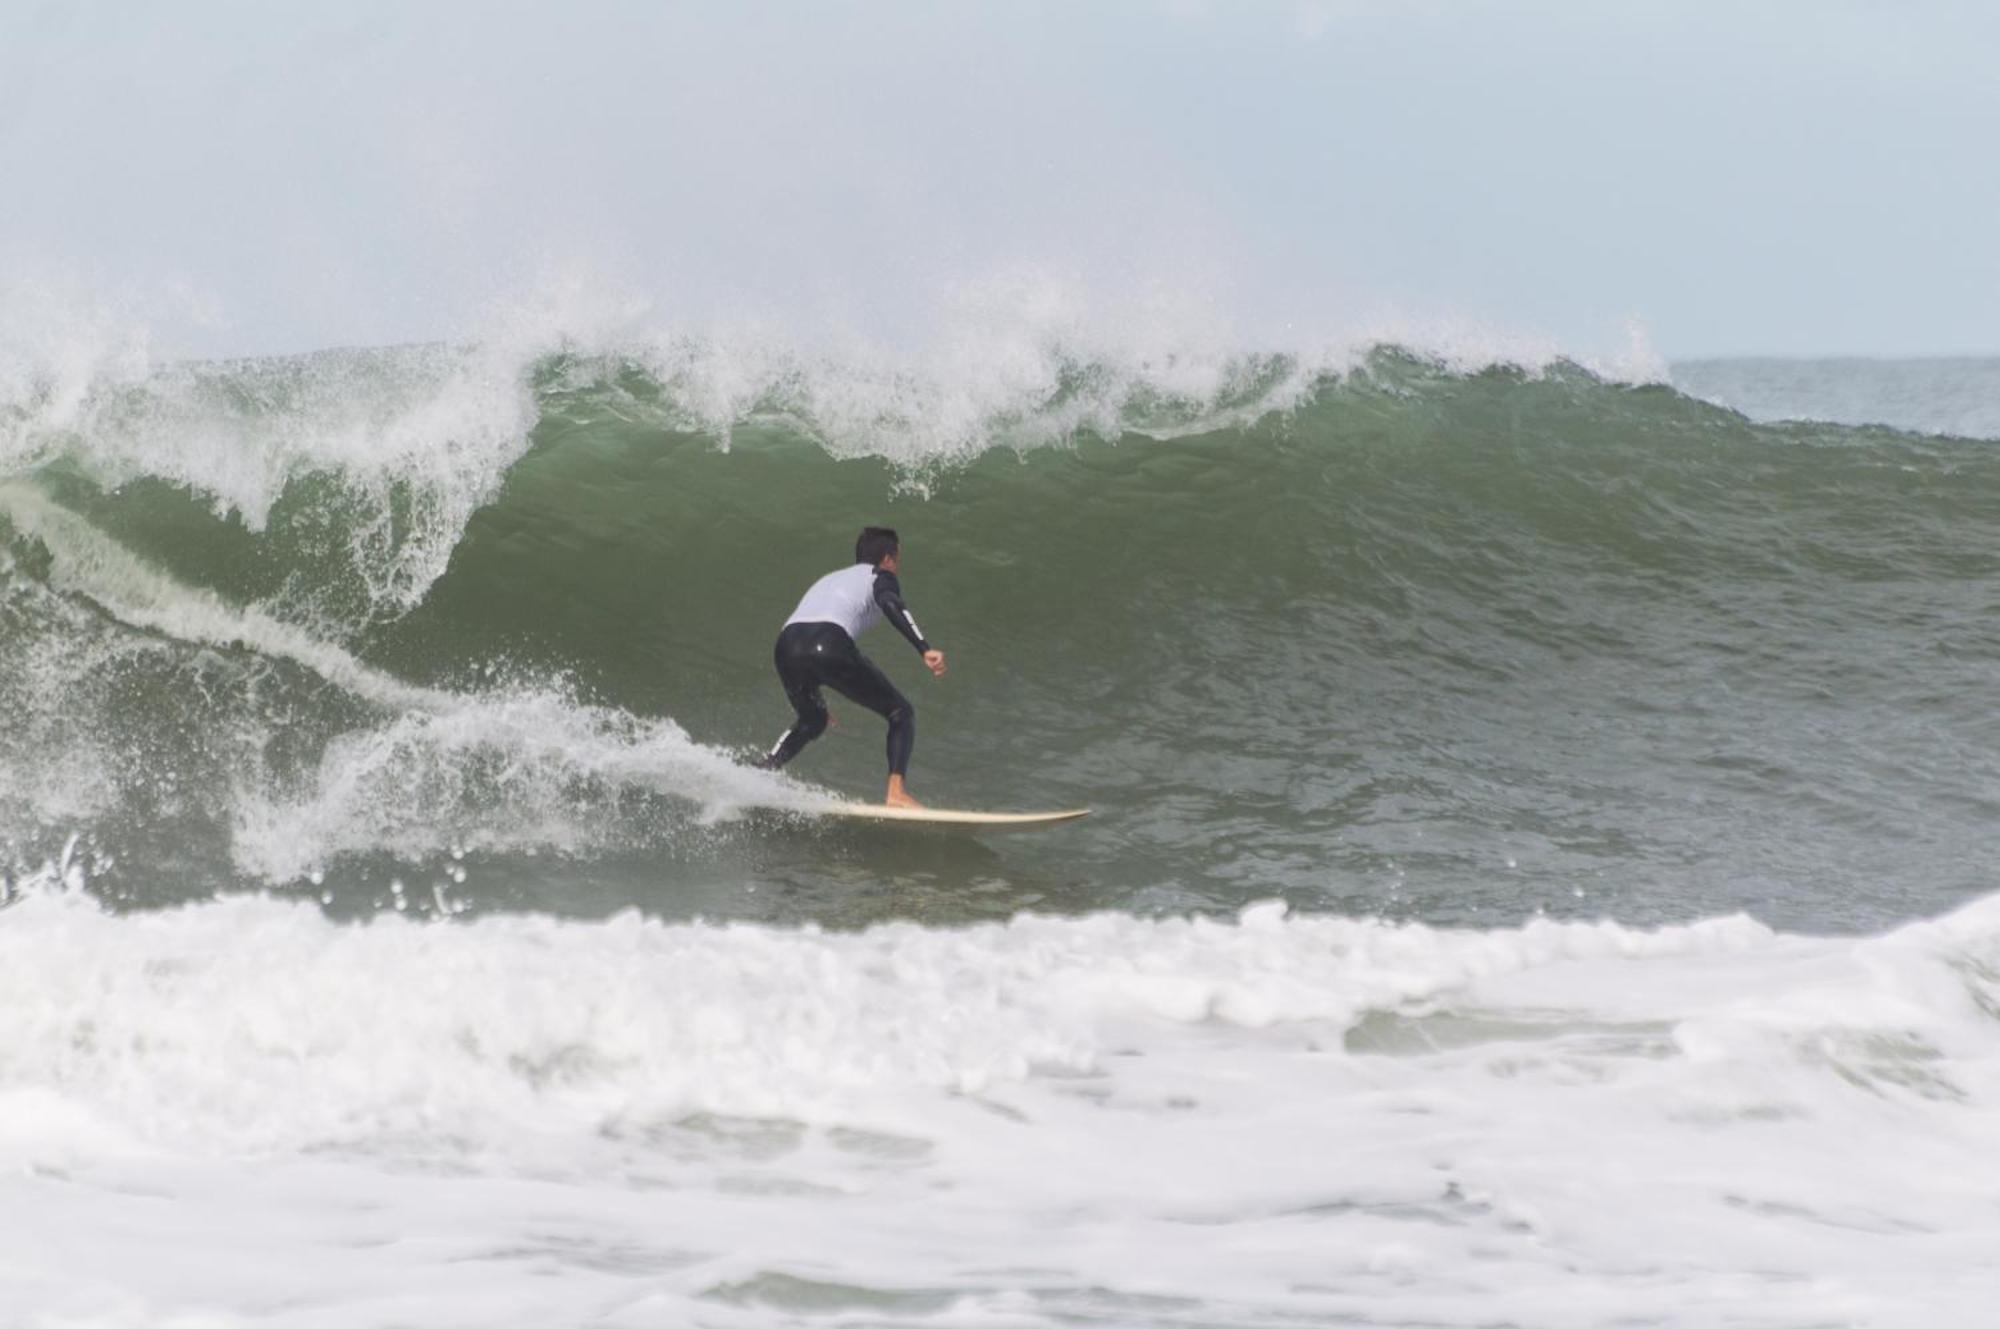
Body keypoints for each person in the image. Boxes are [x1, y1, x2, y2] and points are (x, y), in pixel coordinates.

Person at [756, 527, 947, 806]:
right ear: (887, 559)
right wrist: (924, 648)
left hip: (786, 645)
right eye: (897, 558)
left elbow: (806, 641)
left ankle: (761, 771)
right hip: (828, 642)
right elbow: (892, 604)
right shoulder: (880, 576)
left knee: (814, 720)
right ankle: (896, 793)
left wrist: (814, 700)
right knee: (900, 712)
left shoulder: (830, 578)